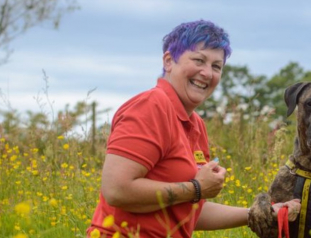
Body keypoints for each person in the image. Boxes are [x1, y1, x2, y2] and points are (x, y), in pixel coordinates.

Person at [87, 19, 300, 238]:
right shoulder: (151, 106)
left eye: (216, 66)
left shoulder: (195, 123)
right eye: (199, 60)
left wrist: (258, 214)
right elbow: (116, 190)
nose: (207, 73)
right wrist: (196, 188)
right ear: (169, 61)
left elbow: (187, 211)